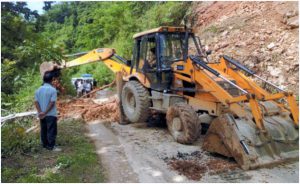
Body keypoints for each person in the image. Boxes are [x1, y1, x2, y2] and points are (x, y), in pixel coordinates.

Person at [34, 71, 61, 151]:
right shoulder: (53, 90)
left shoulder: (38, 90)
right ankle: (51, 146)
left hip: (41, 115)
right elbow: (52, 103)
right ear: (52, 79)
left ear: (43, 79)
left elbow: (36, 102)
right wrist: (45, 112)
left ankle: (44, 145)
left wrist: (40, 112)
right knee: (51, 130)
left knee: (43, 129)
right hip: (50, 114)